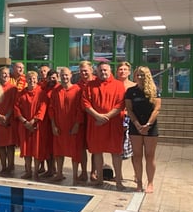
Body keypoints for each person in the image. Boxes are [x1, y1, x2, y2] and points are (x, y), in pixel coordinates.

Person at [81, 62, 126, 190]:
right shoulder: (90, 85)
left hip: (113, 124)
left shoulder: (118, 85)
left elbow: (120, 104)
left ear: (110, 70)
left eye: (105, 70)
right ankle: (99, 179)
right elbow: (85, 103)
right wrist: (98, 116)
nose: (103, 72)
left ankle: (118, 181)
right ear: (97, 71)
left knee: (116, 152)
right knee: (97, 151)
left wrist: (105, 117)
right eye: (101, 70)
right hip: (96, 124)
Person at [125, 66, 161, 193]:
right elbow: (129, 109)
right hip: (136, 126)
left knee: (150, 156)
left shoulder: (155, 90)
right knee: (137, 155)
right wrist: (137, 124)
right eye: (137, 75)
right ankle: (139, 182)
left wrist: (148, 125)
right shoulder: (130, 91)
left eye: (142, 75)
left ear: (147, 76)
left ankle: (150, 183)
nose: (139, 77)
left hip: (150, 127)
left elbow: (157, 109)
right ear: (134, 76)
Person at [49, 67, 84, 184]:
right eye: (62, 75)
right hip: (59, 125)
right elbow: (51, 109)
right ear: (59, 76)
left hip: (72, 126)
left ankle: (75, 175)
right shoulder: (55, 91)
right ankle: (59, 173)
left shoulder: (78, 90)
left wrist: (77, 124)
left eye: (67, 75)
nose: (65, 77)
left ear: (71, 76)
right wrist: (53, 125)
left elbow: (80, 109)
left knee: (74, 151)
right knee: (58, 151)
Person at [15, 71, 48, 180]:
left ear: (37, 79)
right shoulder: (21, 93)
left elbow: (42, 108)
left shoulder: (41, 93)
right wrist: (24, 121)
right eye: (29, 78)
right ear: (26, 80)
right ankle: (28, 171)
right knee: (26, 150)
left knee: (36, 149)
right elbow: (16, 108)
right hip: (24, 126)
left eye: (34, 78)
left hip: (36, 126)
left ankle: (36, 172)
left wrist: (33, 121)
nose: (32, 80)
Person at [117, 61, 137, 162]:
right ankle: (119, 174)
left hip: (132, 118)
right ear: (117, 72)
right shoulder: (114, 85)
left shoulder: (134, 86)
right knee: (118, 149)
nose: (123, 71)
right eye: (120, 69)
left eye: (125, 69)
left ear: (129, 72)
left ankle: (136, 175)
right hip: (117, 117)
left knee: (134, 148)